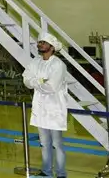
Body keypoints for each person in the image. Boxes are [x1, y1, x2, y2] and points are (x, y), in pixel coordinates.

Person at [23, 33, 68, 178]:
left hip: (54, 108)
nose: (40, 44)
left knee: (57, 144)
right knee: (44, 143)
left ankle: (61, 174)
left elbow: (52, 87)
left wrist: (36, 82)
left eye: (43, 42)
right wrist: (40, 81)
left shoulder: (58, 65)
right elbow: (26, 80)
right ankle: (46, 172)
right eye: (39, 42)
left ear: (52, 47)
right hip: (40, 109)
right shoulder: (35, 62)